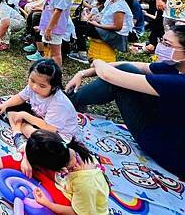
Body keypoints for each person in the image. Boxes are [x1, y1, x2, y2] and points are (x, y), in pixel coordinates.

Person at [67, 25, 185, 179]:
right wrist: (82, 73)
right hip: (166, 129)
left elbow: (111, 75)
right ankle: (70, 103)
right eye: (161, 41)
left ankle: (68, 104)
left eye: (167, 45)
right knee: (127, 68)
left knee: (121, 81)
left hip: (166, 149)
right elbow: (137, 65)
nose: (160, 47)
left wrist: (97, 61)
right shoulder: (176, 67)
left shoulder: (179, 82)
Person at [0, 59, 78, 149]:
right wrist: (5, 104)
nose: (34, 87)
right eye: (32, 81)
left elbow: (50, 129)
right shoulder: (32, 88)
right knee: (11, 106)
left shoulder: (59, 103)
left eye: (42, 86)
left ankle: (19, 131)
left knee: (43, 141)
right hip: (40, 119)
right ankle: (17, 133)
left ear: (54, 87)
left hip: (57, 134)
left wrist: (24, 115)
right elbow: (20, 97)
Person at [33, 0, 82, 66]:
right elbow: (49, 8)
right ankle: (49, 71)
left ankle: (56, 75)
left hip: (54, 27)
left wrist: (49, 29)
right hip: (49, 25)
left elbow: (58, 11)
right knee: (48, 50)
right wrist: (43, 27)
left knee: (55, 52)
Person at [71, 0, 134, 64]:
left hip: (116, 36)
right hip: (105, 28)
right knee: (77, 23)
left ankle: (82, 54)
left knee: (79, 28)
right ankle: (79, 50)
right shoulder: (110, 0)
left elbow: (118, 27)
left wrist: (97, 25)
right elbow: (103, 15)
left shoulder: (120, 7)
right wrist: (94, 19)